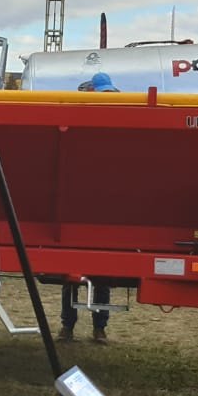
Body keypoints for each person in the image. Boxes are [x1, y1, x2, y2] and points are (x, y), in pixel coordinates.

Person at [60, 71, 119, 341]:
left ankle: (95, 327)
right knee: (74, 273)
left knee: (97, 273)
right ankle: (78, 326)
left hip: (96, 205)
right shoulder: (114, 111)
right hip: (90, 204)